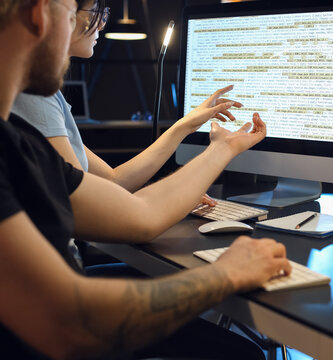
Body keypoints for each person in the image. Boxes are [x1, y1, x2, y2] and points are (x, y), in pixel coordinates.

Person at [0, 1, 291, 359]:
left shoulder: (19, 145)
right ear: (40, 13)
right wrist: (225, 275)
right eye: (74, 9)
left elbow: (134, 206)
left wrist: (219, 147)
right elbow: (69, 322)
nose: (85, 23)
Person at [11, 0, 240, 198]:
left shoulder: (48, 96)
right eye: (94, 13)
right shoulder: (35, 97)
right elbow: (89, 204)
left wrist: (185, 124)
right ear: (41, 13)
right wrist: (221, 149)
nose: (101, 23)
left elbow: (113, 180)